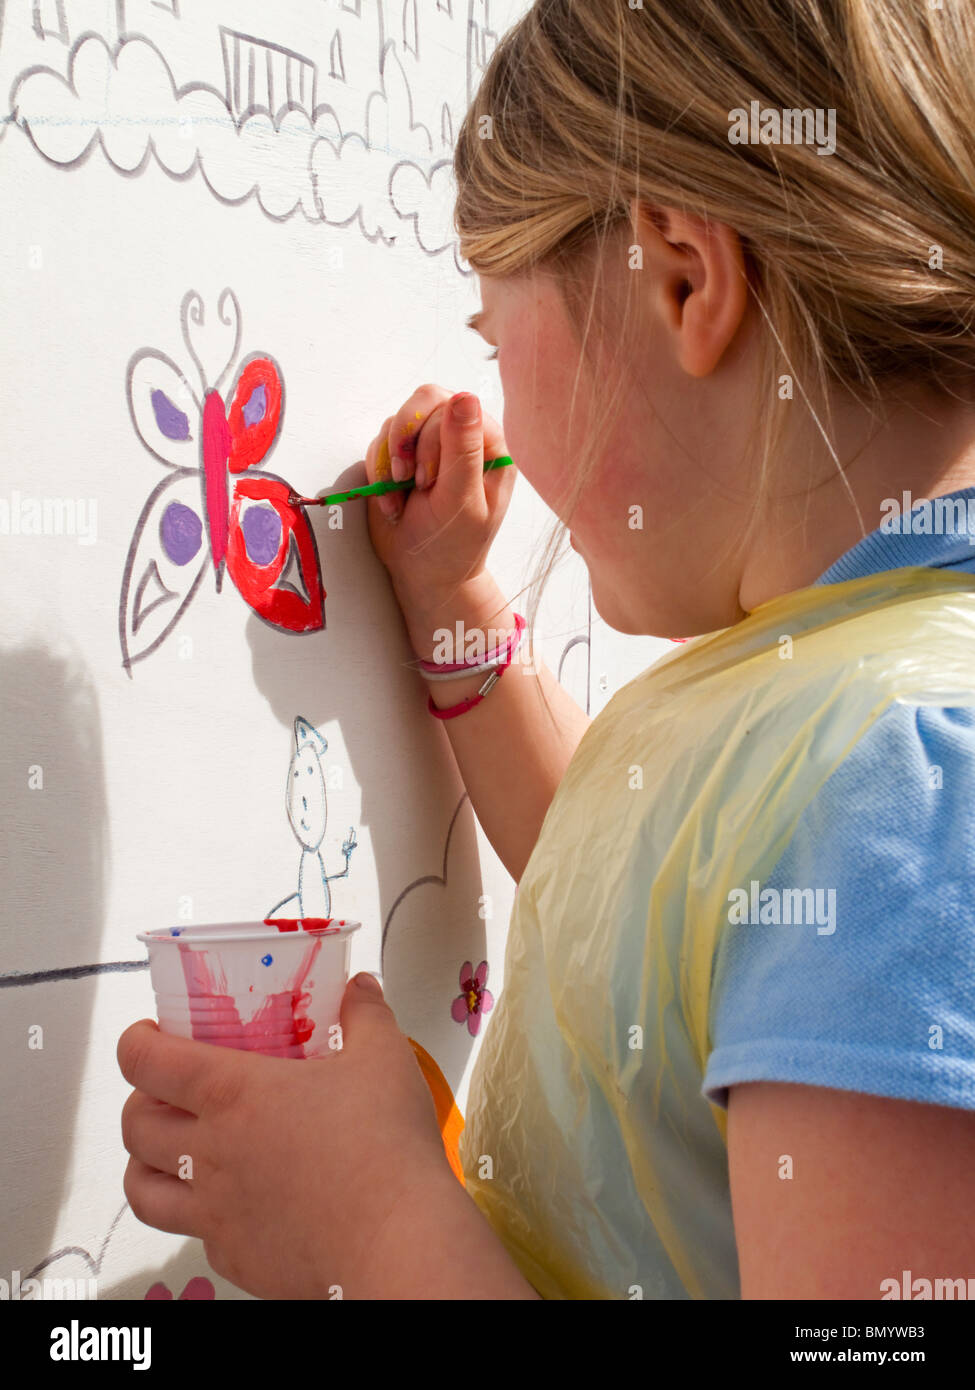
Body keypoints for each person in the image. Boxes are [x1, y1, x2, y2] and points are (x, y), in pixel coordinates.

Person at [119, 0, 975, 1299]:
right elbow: (621, 870)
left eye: (492, 338)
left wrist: (374, 1227)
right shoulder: (825, 701)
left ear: (686, 276)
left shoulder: (907, 786)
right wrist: (451, 597)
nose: (497, 401)